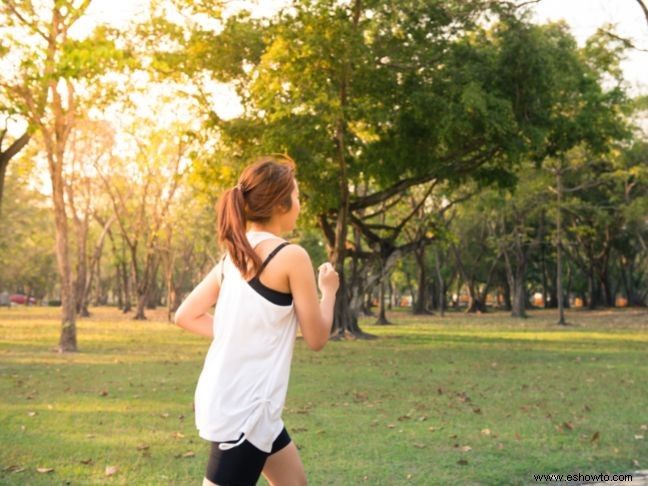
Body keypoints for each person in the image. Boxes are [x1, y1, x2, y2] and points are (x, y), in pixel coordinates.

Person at [174, 155, 339, 486]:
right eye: (297, 196)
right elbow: (317, 337)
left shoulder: (233, 256)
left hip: (250, 405)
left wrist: (239, 334)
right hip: (244, 411)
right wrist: (329, 290)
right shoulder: (291, 256)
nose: (300, 204)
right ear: (280, 203)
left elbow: (185, 315)